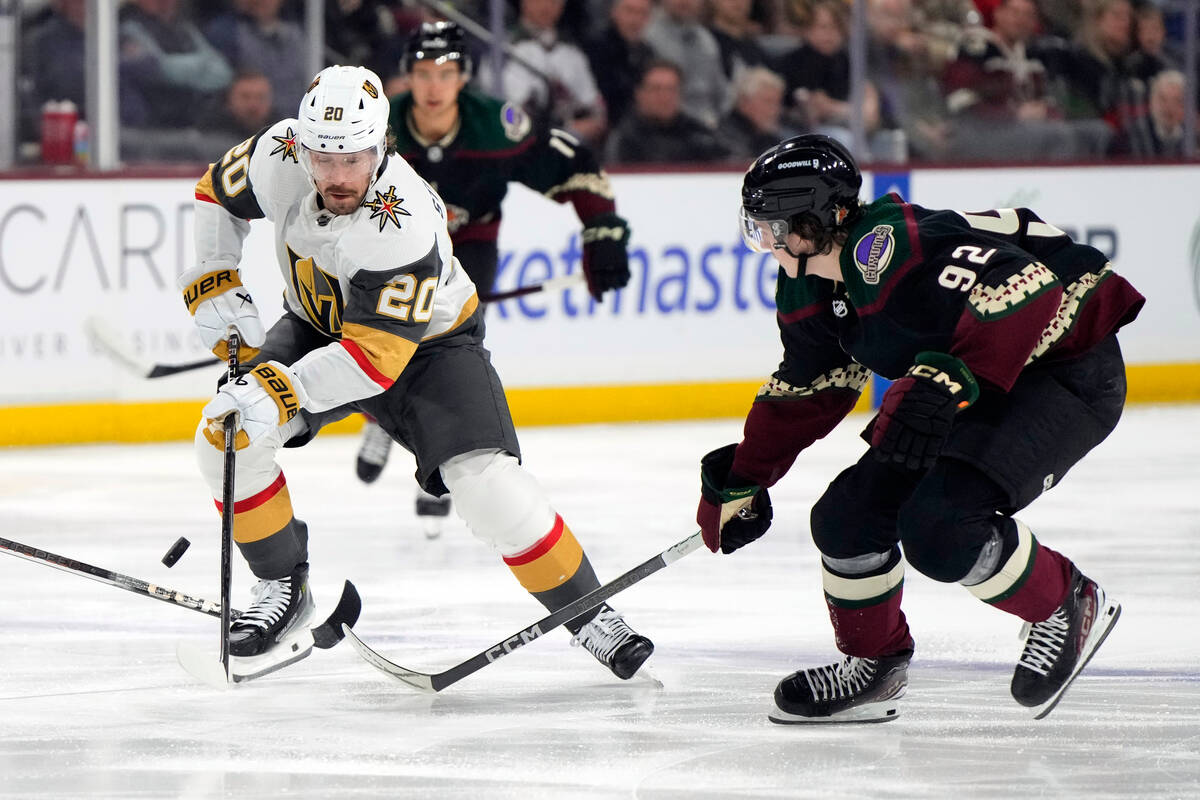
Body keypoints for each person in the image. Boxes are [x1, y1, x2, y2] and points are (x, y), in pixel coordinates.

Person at [177, 64, 653, 682]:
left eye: (356, 158)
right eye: (325, 157)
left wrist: (281, 386)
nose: (339, 176)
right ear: (303, 144)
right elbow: (216, 192)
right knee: (225, 432)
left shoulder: (403, 223)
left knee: (488, 488)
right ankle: (281, 591)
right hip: (321, 326)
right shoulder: (279, 152)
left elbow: (375, 360)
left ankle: (591, 614)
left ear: (383, 147)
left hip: (430, 352)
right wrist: (216, 275)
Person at [697, 134, 1142, 723]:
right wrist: (743, 478)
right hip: (972, 376)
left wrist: (942, 382)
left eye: (770, 228)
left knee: (940, 526)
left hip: (1063, 371)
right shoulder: (807, 282)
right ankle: (875, 667)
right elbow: (812, 386)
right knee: (846, 518)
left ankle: (1067, 602)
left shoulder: (892, 248)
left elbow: (1030, 287)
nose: (764, 242)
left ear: (810, 220)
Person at [354, 20, 633, 535]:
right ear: (406, 78)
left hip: (468, 251)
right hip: (386, 246)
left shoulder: (496, 126)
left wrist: (602, 230)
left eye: (446, 72)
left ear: (465, 77)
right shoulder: (376, 128)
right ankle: (380, 418)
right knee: (387, 341)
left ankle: (422, 454)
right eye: (421, 72)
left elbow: (571, 163)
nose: (433, 85)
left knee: (437, 348)